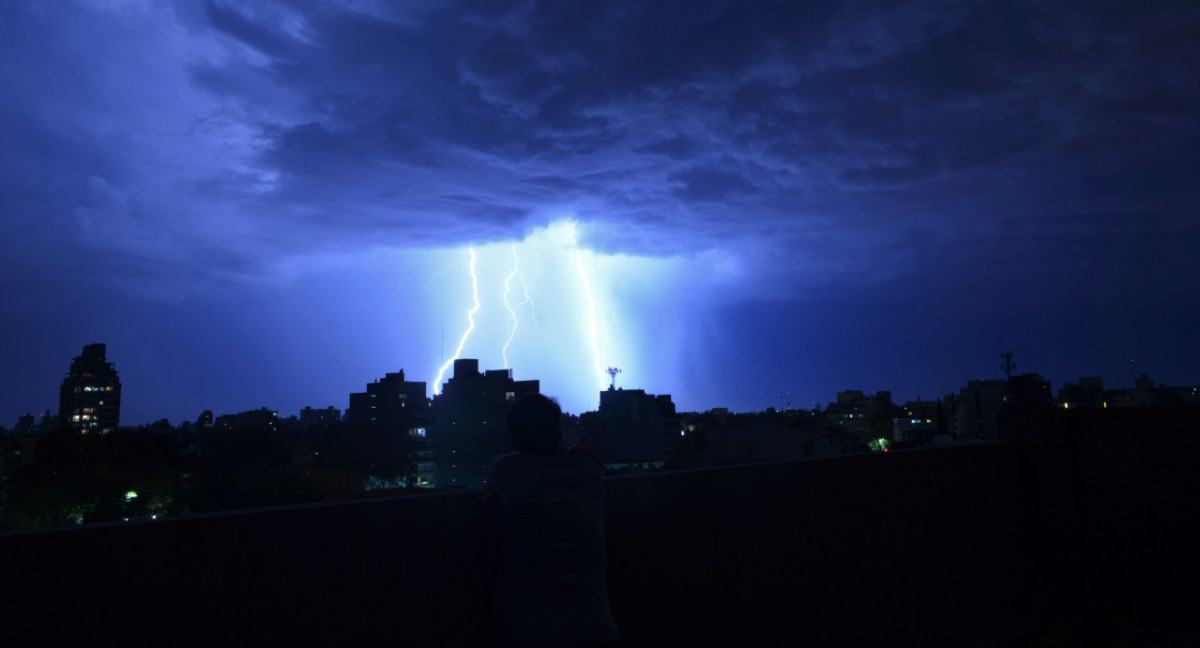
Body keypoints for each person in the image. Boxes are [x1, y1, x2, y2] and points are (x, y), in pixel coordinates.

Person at [479, 393, 619, 647]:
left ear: (514, 439)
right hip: (597, 631)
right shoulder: (589, 472)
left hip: (534, 633)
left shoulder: (506, 471)